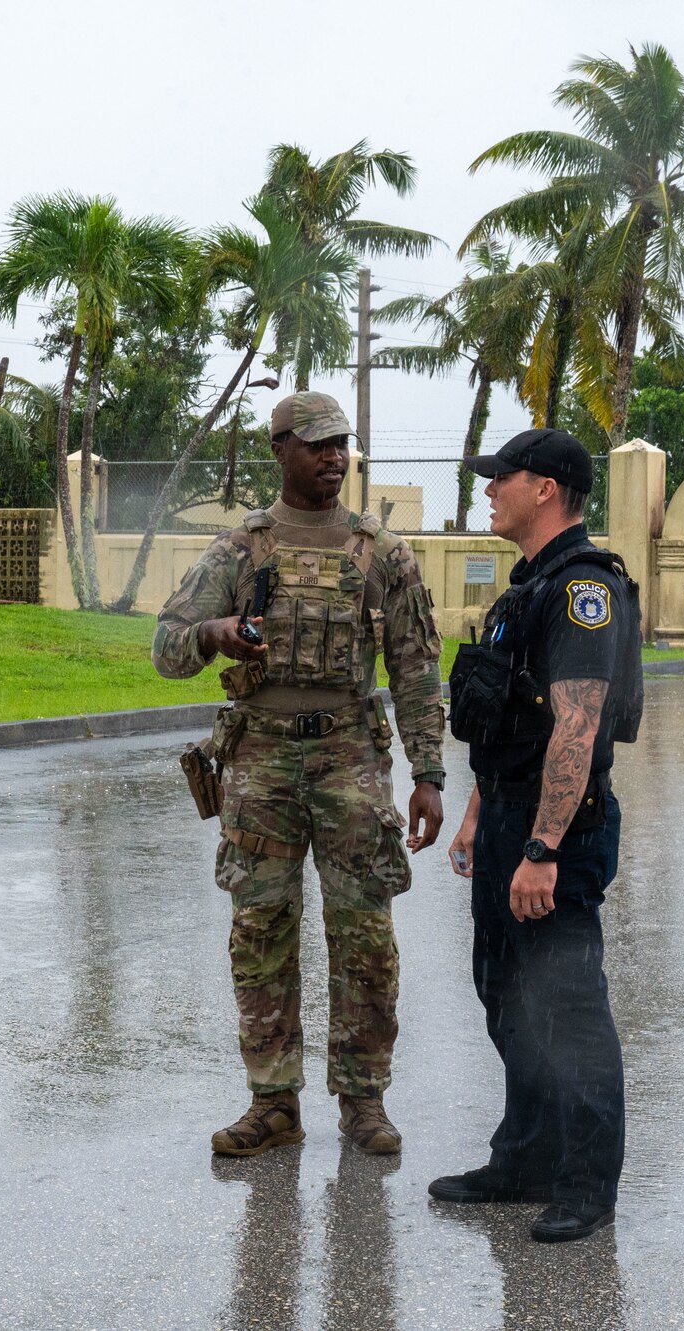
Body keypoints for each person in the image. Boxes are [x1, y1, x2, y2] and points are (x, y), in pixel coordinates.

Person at [153, 391, 446, 1158]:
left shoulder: (382, 551)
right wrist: (215, 632)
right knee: (261, 931)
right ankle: (273, 1101)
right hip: (261, 758)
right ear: (278, 448)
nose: (332, 456)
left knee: (364, 933)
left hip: (351, 754)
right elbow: (165, 645)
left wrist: (429, 773)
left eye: (341, 443)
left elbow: (416, 668)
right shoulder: (239, 548)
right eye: (316, 444)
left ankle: (364, 1100)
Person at [430, 427, 642, 1244]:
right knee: (509, 997)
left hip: (557, 828)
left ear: (546, 487)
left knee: (569, 1010)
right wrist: (482, 817)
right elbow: (512, 720)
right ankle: (523, 1158)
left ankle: (585, 1185)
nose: (489, 489)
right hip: (510, 817)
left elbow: (576, 730)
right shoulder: (526, 589)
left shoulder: (582, 590)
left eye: (501, 477)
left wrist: (543, 850)